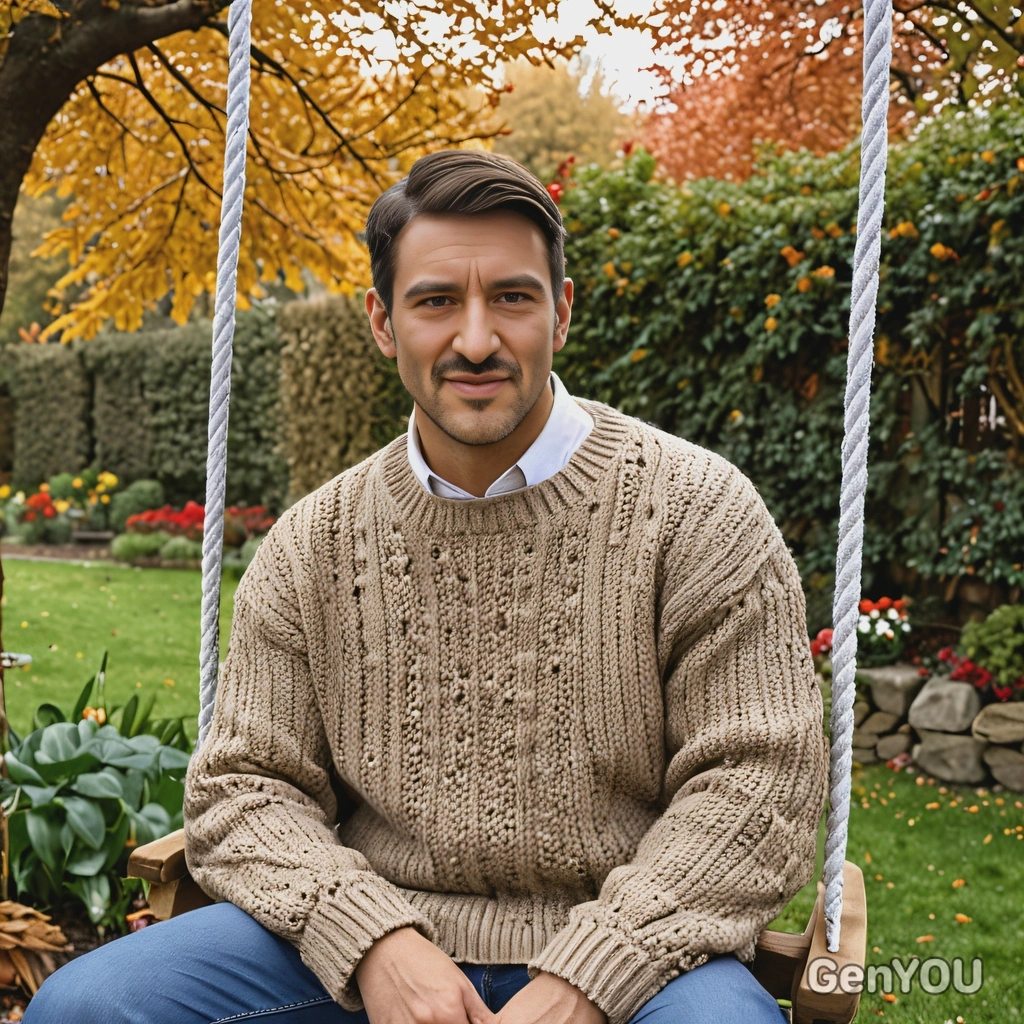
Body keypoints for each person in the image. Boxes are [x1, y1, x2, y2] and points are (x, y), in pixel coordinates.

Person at [25, 149, 830, 1024]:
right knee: (87, 1006)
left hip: (643, 963)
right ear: (382, 321)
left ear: (561, 312)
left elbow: (759, 783)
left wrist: (592, 974)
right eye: (437, 301)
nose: (476, 340)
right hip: (366, 945)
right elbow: (244, 788)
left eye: (513, 298)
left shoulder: (698, 512)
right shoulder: (313, 542)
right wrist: (372, 940)